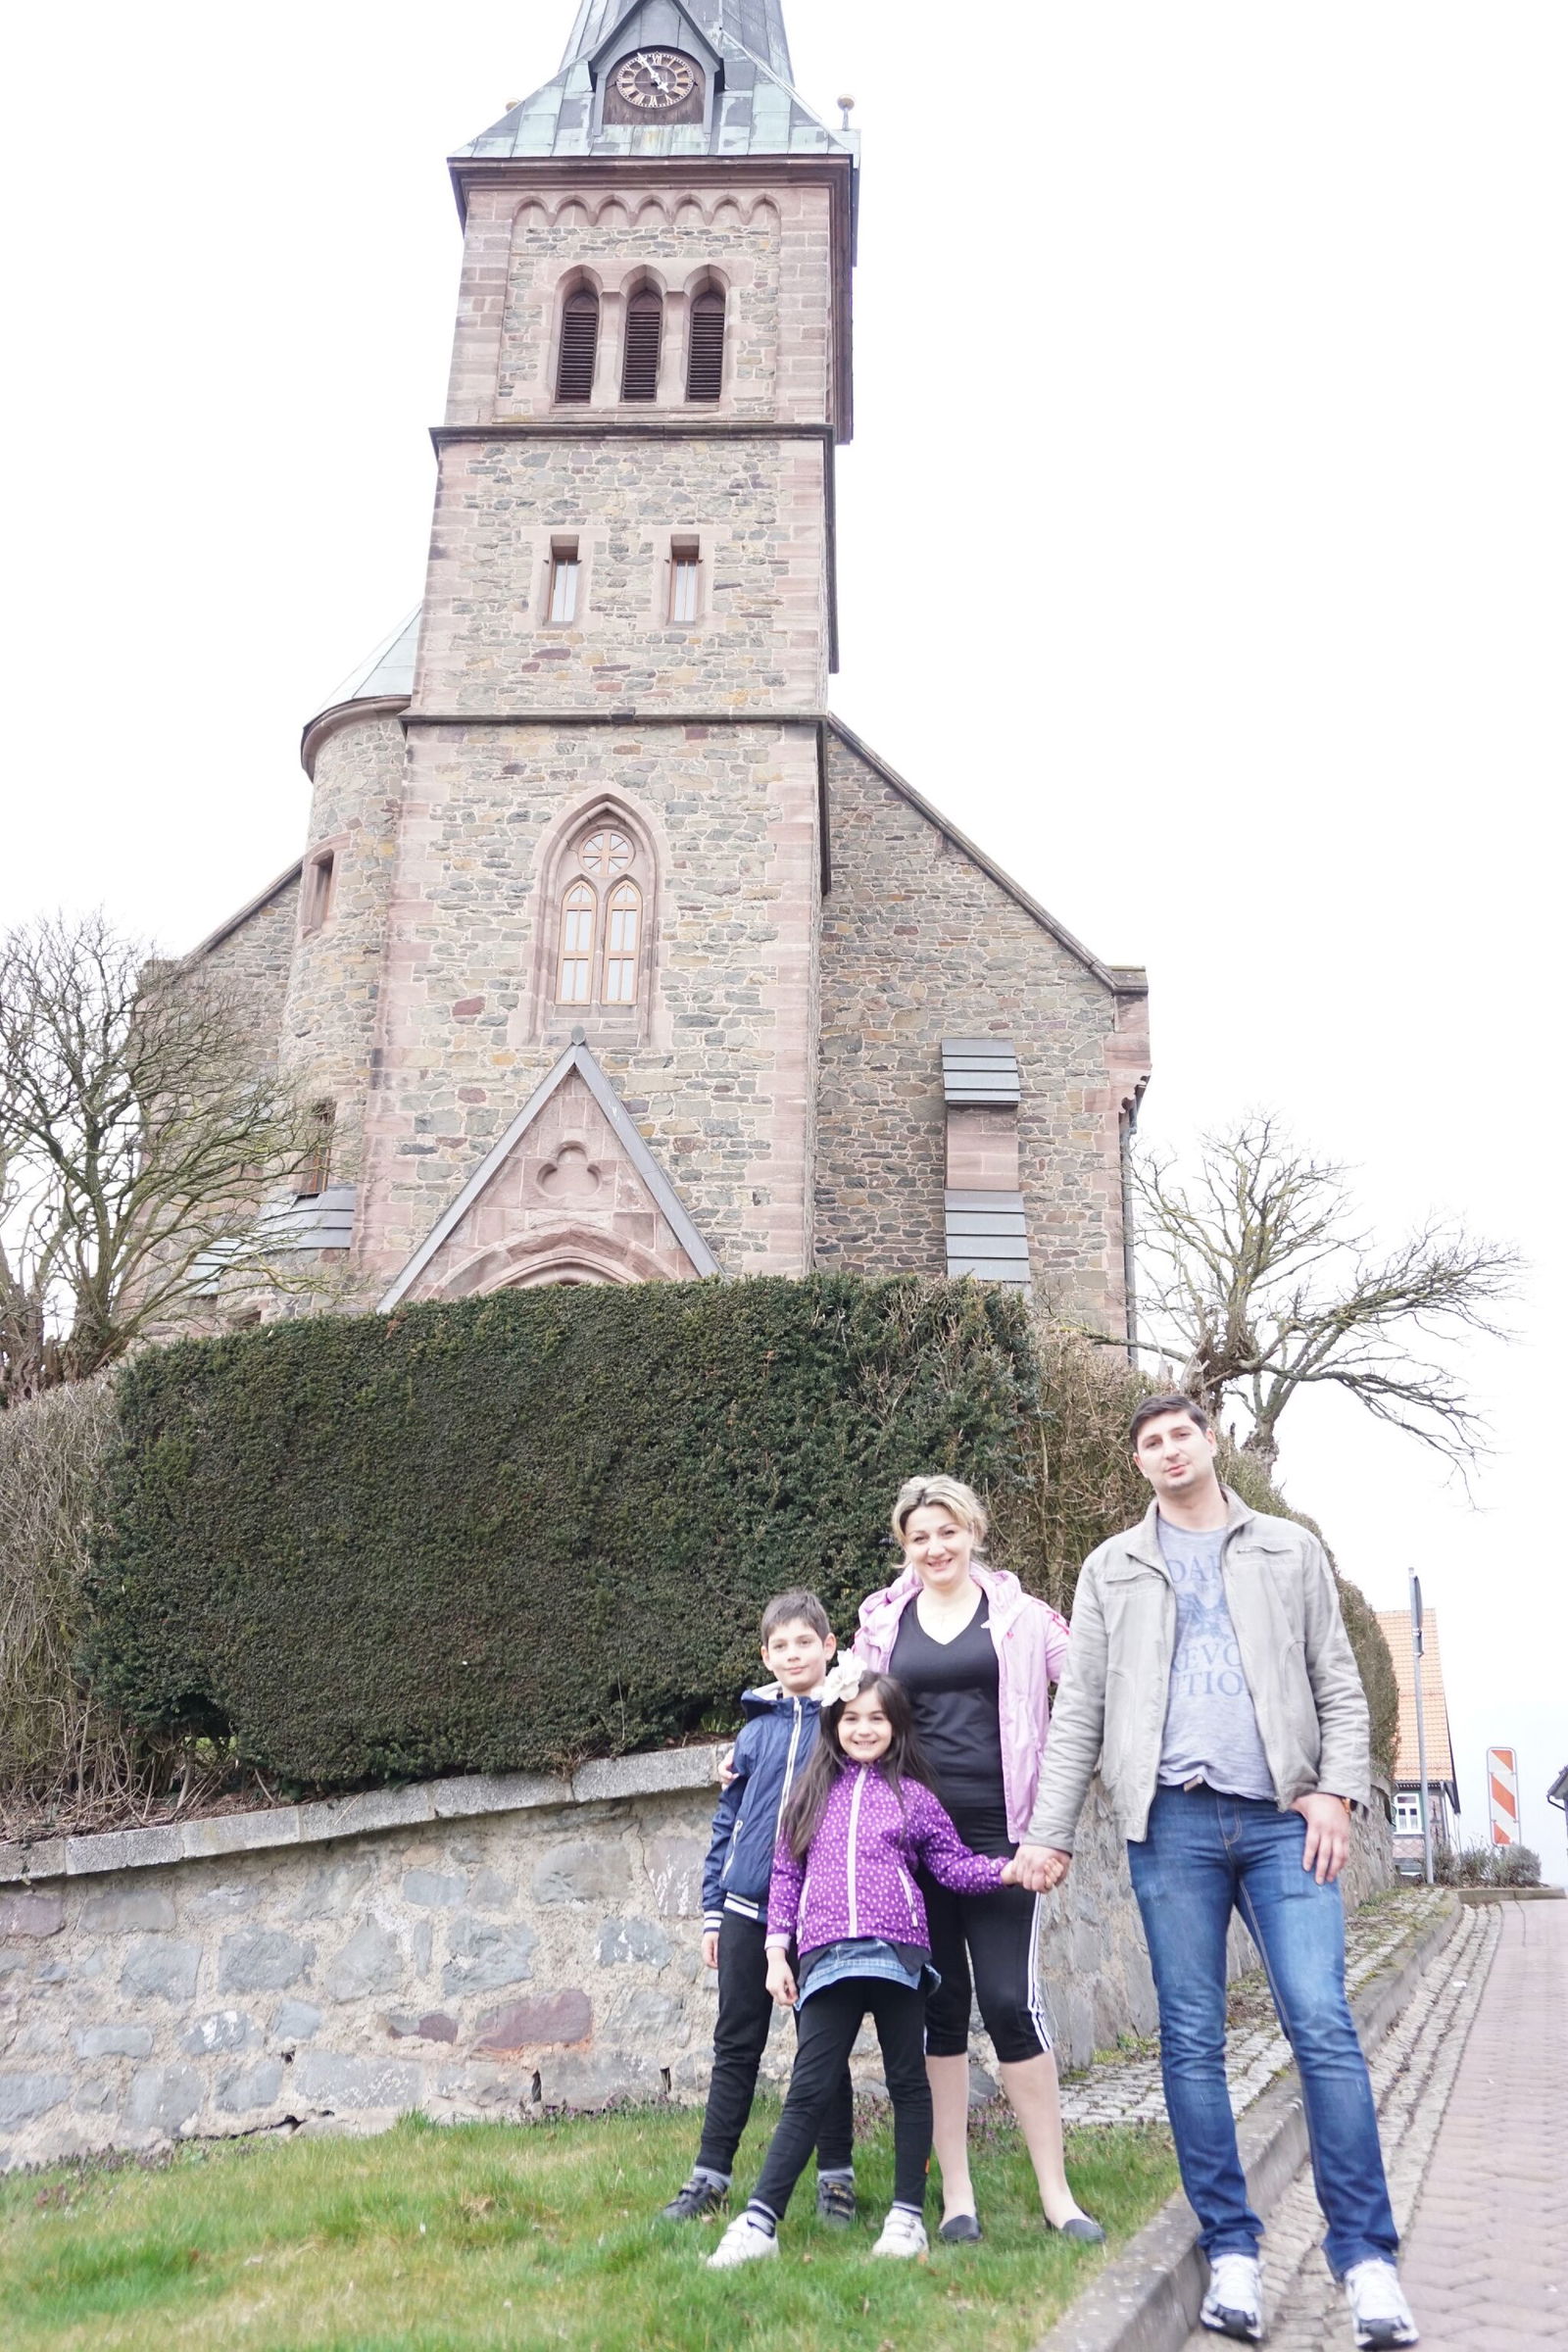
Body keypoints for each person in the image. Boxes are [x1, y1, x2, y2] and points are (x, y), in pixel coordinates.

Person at [1024, 1395, 1418, 2351]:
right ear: (1139, 1465)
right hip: (1173, 1828)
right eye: (1148, 1442)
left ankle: (1365, 2262)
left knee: (1320, 2022)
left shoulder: (1286, 1549)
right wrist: (1050, 1832)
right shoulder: (1110, 1567)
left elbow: (1337, 1676)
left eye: (1179, 1434)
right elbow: (1079, 1708)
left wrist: (1334, 1793)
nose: (1166, 1450)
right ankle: (1231, 2248)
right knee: (1191, 2039)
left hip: (1286, 1821)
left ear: (1211, 1443)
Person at [852, 1474, 1102, 2243]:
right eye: (920, 1536)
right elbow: (840, 1706)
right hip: (912, 1842)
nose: (935, 1548)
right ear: (905, 1545)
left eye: (948, 1532)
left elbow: (1092, 1686)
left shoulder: (1023, 1618)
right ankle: (957, 2197)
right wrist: (755, 1757)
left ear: (973, 1532)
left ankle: (1057, 2196)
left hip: (1004, 1839)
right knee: (940, 2008)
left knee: (1008, 2001)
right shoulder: (882, 1625)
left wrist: (1052, 1828)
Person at [705, 1669, 1026, 2268]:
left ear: (896, 1726)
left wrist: (1005, 1870)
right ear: (834, 1724)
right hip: (825, 1959)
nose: (863, 1728)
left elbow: (953, 1868)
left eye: (877, 1718)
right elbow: (785, 1875)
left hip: (899, 1956)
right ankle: (759, 2222)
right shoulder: (808, 1793)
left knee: (909, 2083)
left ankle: (907, 2219)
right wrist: (777, 1951)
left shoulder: (916, 1798)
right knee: (809, 2087)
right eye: (851, 1718)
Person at [658, 1590, 858, 2227]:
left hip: (819, 1912)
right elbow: (727, 1824)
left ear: (829, 1647)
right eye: (781, 1645)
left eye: (806, 1642)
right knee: (736, 2042)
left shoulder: (848, 1721)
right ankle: (708, 2177)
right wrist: (713, 1910)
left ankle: (837, 2179)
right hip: (747, 1907)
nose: (794, 1654)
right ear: (766, 1656)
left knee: (819, 2047)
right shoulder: (751, 1735)